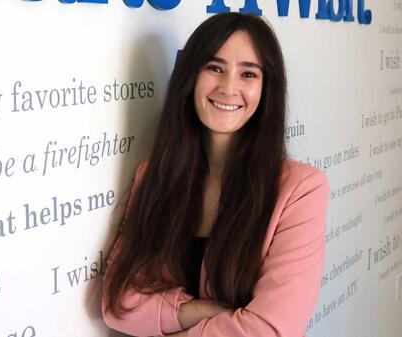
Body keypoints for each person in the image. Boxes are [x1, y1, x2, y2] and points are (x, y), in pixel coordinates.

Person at [101, 13, 329, 337]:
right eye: (215, 68)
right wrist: (197, 311)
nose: (228, 87)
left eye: (248, 73)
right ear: (191, 77)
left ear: (267, 89)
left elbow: (271, 329)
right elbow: (116, 303)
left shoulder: (302, 191)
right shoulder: (154, 176)